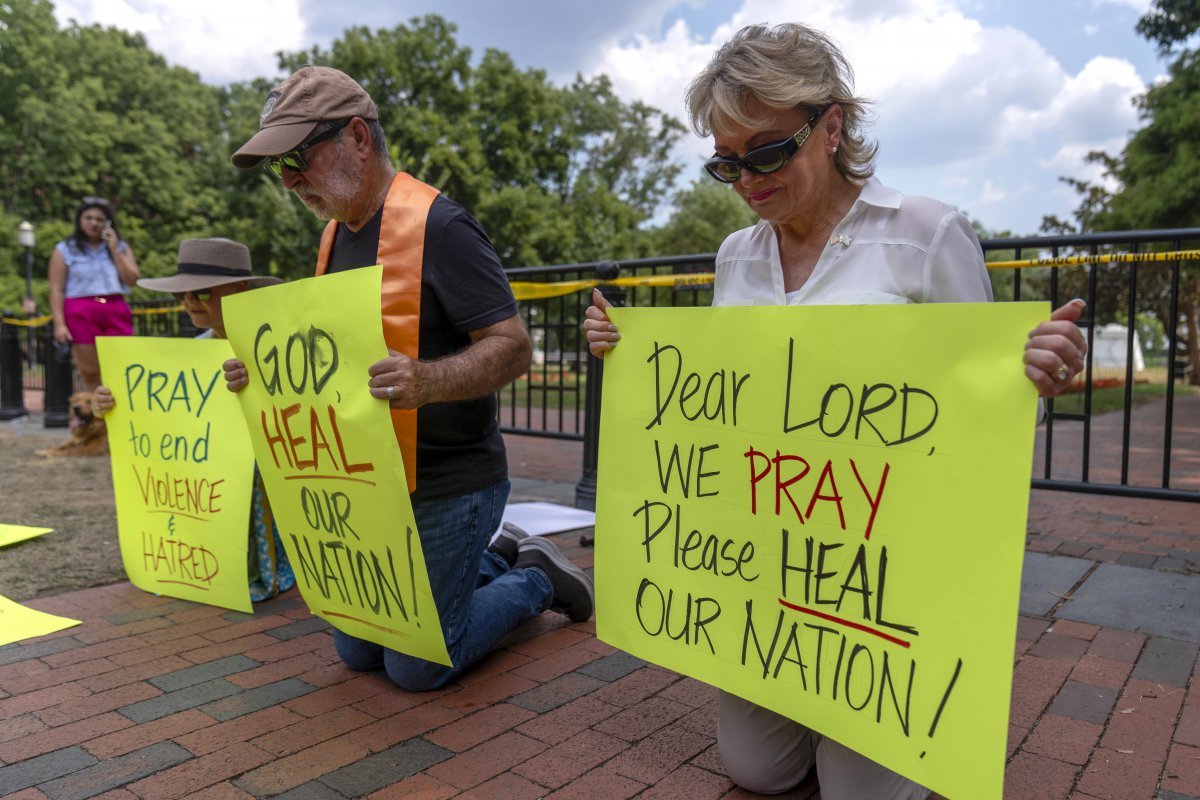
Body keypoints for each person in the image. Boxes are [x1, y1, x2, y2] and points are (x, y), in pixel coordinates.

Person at [584, 22, 1088, 800]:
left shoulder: (925, 237)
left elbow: (992, 418)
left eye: (766, 151)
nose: (747, 178)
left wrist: (1032, 379)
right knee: (756, 770)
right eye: (726, 161)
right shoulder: (736, 257)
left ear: (832, 126)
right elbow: (725, 409)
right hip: (772, 568)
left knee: (858, 791)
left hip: (889, 573)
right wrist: (627, 355)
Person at [222, 65, 594, 690]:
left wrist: (428, 380)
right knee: (358, 651)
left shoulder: (442, 227)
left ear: (358, 140)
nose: (287, 181)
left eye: (298, 158)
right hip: (378, 485)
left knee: (417, 665)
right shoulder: (333, 237)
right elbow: (331, 361)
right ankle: (499, 558)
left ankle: (534, 579)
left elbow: (513, 348)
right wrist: (259, 376)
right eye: (276, 167)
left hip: (453, 482)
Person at [93, 238, 295, 602]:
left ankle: (255, 566)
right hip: (211, 476)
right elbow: (159, 413)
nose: (189, 301)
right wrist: (109, 403)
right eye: (181, 295)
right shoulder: (192, 353)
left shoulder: (276, 343)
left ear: (240, 290)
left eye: (201, 292)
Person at [48, 197, 140, 395]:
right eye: (88, 218)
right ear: (80, 220)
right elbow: (57, 288)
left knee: (122, 367)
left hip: (115, 307)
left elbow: (132, 279)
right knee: (90, 371)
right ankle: (95, 421)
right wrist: (59, 324)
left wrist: (114, 248)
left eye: (99, 219)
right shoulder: (65, 249)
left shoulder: (121, 247)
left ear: (107, 222)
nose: (93, 223)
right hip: (81, 309)